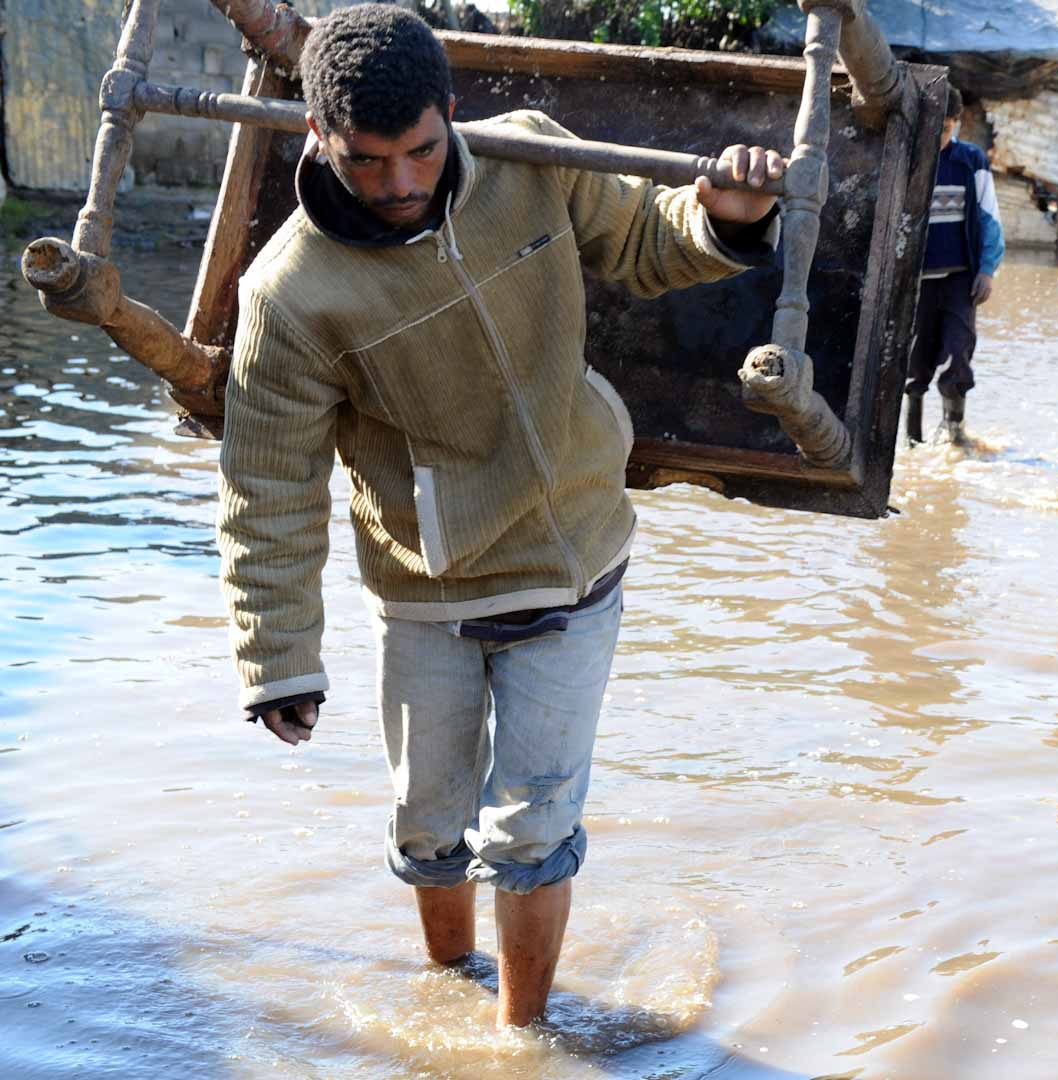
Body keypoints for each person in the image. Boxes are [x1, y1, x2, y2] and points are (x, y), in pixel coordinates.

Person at [216, 5, 784, 1027]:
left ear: (450, 116)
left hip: (574, 556)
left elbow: (646, 242)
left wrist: (723, 216)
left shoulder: (528, 159)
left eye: (421, 152)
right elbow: (268, 486)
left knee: (530, 834)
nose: (399, 185)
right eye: (369, 161)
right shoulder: (289, 294)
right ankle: (450, 995)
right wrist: (278, 657)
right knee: (430, 827)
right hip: (424, 586)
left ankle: (526, 1041)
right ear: (317, 140)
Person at [904, 86, 1004, 447]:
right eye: (932, 128)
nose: (939, 137)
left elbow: (990, 217)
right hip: (915, 283)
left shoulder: (970, 161)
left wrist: (987, 270)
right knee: (915, 362)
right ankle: (911, 442)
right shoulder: (907, 159)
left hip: (960, 278)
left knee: (958, 353)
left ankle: (953, 437)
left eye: (946, 128)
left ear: (957, 125)